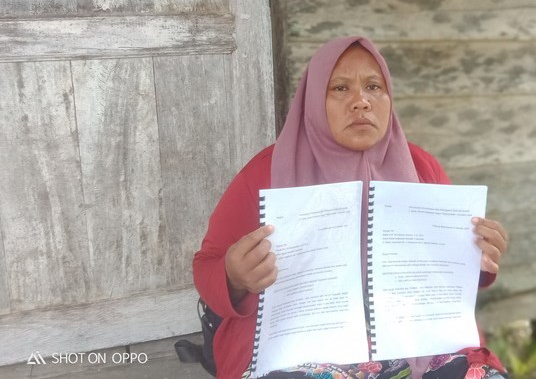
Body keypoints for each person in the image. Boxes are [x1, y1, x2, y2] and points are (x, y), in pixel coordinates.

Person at [193, 36, 509, 379]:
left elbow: (446, 275)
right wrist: (235, 277)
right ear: (313, 100)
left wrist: (477, 256)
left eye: (373, 87)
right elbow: (208, 265)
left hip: (416, 342)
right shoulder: (265, 173)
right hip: (300, 350)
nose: (361, 102)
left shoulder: (421, 167)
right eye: (340, 88)